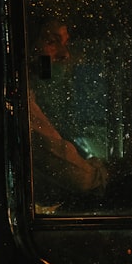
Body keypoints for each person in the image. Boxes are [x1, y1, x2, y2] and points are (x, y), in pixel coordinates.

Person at [27, 18, 109, 200]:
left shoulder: (30, 93)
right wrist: (104, 174)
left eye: (65, 43)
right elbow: (81, 179)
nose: (65, 55)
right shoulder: (18, 103)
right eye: (51, 42)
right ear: (26, 45)